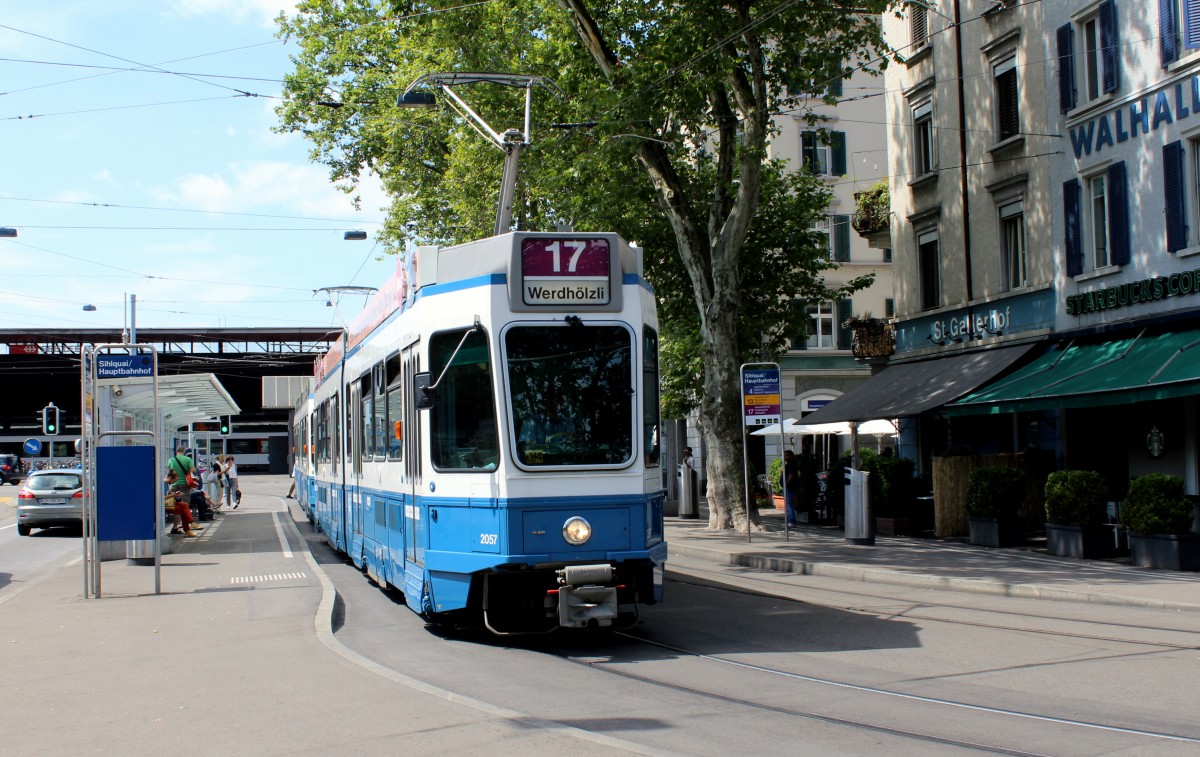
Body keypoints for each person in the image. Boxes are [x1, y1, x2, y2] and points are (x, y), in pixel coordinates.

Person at [783, 449, 801, 527]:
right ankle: (790, 521)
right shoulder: (789, 464)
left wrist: (786, 484)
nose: (785, 457)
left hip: (790, 487)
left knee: (790, 505)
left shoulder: (791, 464)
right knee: (788, 505)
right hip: (789, 487)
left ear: (791, 456)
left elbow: (791, 475)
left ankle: (791, 521)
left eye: (786, 455)